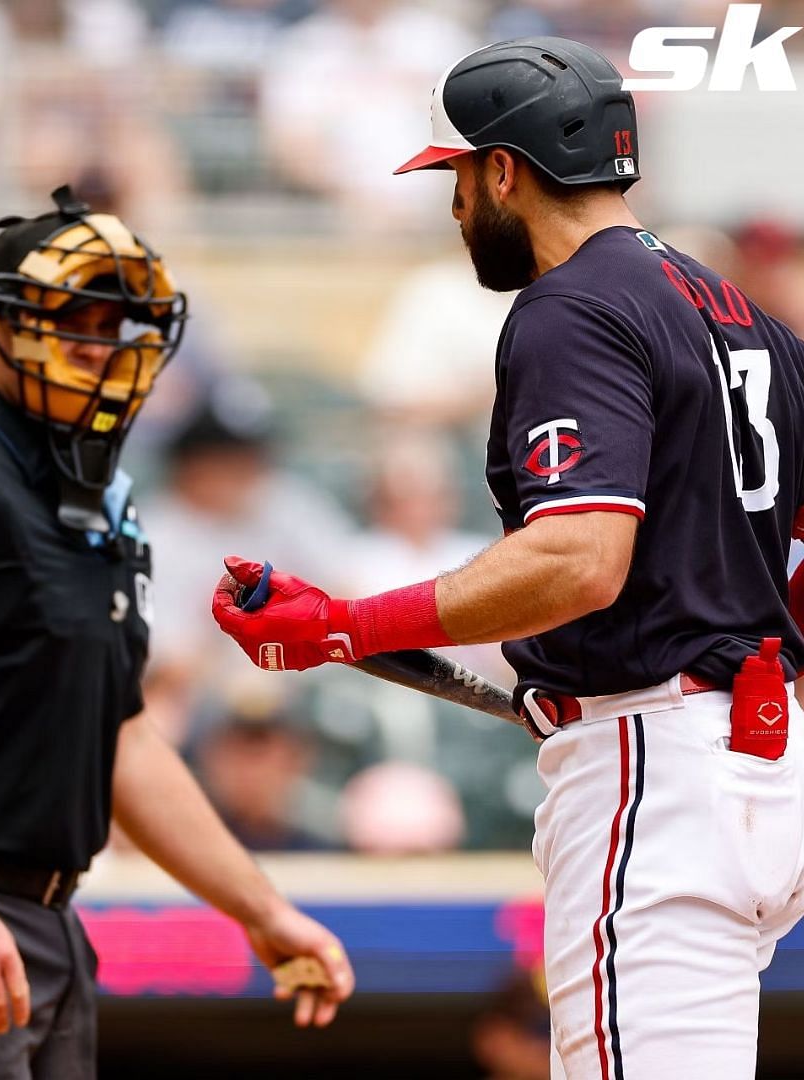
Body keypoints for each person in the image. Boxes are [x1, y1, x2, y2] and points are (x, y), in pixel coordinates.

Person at [212, 36, 804, 1078]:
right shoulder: (744, 314)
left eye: (456, 177)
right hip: (757, 759)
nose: (454, 209)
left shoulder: (572, 307)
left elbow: (579, 560)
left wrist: (342, 625)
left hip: (655, 770)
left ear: (502, 170)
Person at [0, 186, 354, 1079]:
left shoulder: (100, 510)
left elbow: (121, 735)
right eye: (74, 322)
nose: (105, 350)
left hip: (49, 925)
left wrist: (260, 909)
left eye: (123, 326)